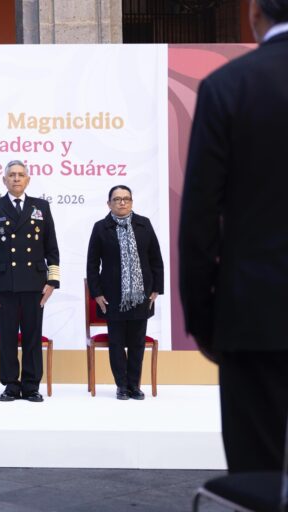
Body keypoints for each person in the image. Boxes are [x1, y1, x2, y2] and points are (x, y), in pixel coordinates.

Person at [179, 0, 288, 472]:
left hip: (255, 315)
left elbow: (201, 215)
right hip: (254, 315)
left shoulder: (229, 85)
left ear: (254, 14)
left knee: (258, 478)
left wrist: (204, 321)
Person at [0, 160, 59, 402]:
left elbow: (51, 247)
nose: (16, 178)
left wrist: (52, 281)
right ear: (4, 180)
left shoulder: (41, 207)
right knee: (8, 337)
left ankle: (32, 385)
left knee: (33, 336)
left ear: (28, 180)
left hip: (35, 284)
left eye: (20, 175)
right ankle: (11, 385)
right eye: (11, 175)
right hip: (5, 285)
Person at [86, 185, 163, 400]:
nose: (122, 202)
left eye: (126, 198)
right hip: (112, 297)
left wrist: (156, 289)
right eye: (117, 199)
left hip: (141, 296)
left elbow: (156, 259)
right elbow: (92, 265)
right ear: (108, 203)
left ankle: (134, 386)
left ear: (132, 202)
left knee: (137, 343)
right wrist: (97, 294)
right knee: (117, 343)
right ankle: (121, 386)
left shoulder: (144, 224)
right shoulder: (101, 227)